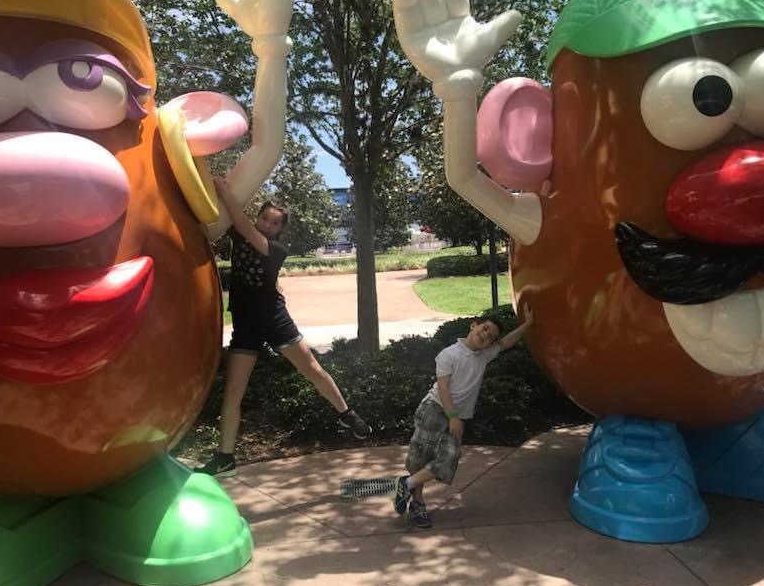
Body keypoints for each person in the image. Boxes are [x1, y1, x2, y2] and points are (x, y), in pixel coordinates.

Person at [196, 178, 372, 478]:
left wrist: (225, 191)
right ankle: (225, 458)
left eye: (274, 223)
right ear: (258, 217)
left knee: (312, 368)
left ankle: (346, 413)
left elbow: (243, 227)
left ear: (280, 229)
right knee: (232, 394)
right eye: (265, 218)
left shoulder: (276, 249)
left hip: (275, 320)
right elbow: (217, 222)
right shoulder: (238, 232)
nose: (268, 225)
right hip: (245, 326)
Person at [393, 304, 535, 528]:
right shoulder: (449, 354)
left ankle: (406, 483)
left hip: (455, 417)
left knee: (449, 458)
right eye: (485, 329)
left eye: (491, 336)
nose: (486, 336)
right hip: (434, 409)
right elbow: (443, 388)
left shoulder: (484, 356)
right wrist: (452, 416)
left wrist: (528, 324)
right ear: (473, 326)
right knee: (421, 459)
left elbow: (506, 342)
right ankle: (418, 504)